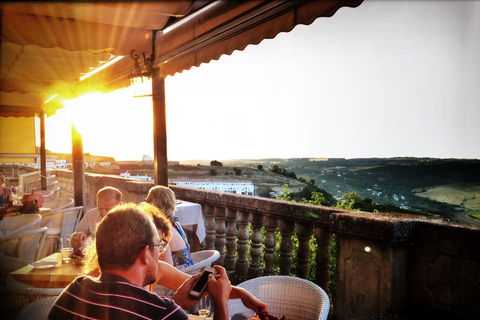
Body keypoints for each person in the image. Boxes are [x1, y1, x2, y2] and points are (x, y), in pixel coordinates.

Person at [49, 203, 231, 319]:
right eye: (158, 246)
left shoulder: (73, 293)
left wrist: (178, 303)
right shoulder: (162, 312)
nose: (159, 253)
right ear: (145, 254)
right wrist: (221, 302)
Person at [146, 186, 193, 267]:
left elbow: (167, 265)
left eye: (147, 200)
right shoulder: (173, 222)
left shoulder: (161, 229)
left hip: (179, 274)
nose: (145, 202)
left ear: (152, 203)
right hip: (189, 269)